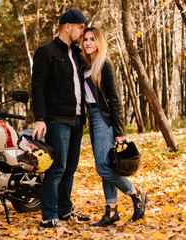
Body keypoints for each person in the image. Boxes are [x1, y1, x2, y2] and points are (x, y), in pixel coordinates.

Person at [80, 27, 148, 226]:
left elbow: (115, 99)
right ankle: (111, 211)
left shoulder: (104, 64)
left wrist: (119, 131)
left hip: (104, 118)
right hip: (92, 117)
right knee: (107, 164)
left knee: (102, 166)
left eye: (92, 39)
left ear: (99, 42)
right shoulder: (86, 65)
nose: (88, 43)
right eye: (85, 39)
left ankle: (136, 195)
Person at [31, 9, 91, 228]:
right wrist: (39, 118)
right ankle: (48, 215)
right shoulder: (46, 52)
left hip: (76, 118)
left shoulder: (76, 53)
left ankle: (65, 211)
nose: (83, 32)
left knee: (70, 169)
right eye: (81, 28)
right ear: (68, 27)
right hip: (56, 119)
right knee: (56, 168)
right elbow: (37, 86)